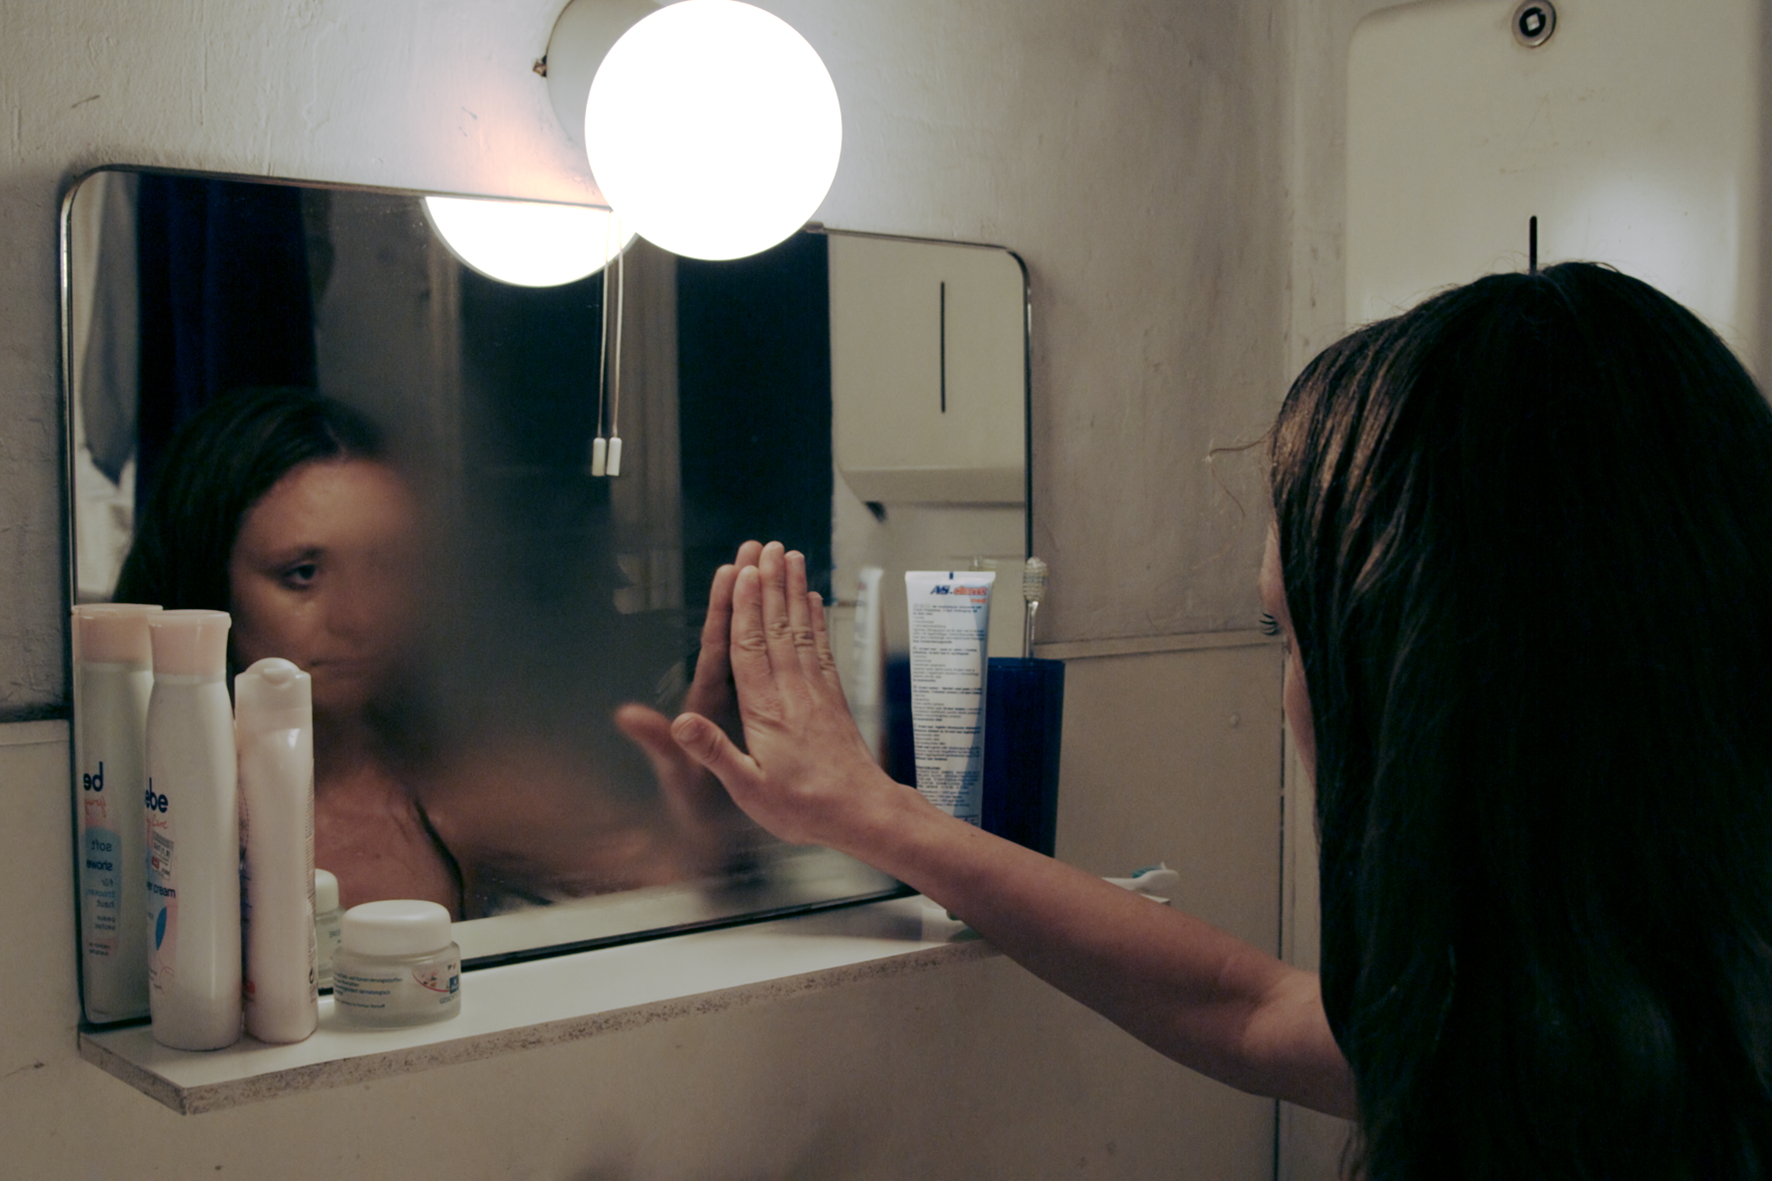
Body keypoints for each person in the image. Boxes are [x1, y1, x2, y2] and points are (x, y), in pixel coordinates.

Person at [664, 263, 1772, 1178]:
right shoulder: (1578, 1025)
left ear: (1428, 702)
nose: (1287, 695)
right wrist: (876, 813)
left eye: (1289, 637)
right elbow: (1243, 1006)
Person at [115, 388, 751, 916]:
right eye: (302, 574)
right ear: (208, 584)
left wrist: (716, 823)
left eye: (388, 566)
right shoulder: (122, 788)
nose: (360, 618)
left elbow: (675, 885)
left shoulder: (455, 787)